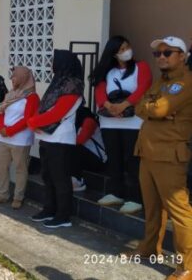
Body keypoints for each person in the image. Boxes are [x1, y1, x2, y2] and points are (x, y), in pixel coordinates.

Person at [129, 36, 192, 280]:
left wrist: (153, 109)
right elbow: (139, 107)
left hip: (169, 155)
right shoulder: (159, 82)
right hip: (148, 152)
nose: (162, 57)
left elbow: (159, 108)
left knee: (180, 212)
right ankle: (148, 249)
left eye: (168, 52)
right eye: (158, 54)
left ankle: (187, 265)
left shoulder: (187, 82)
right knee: (152, 208)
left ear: (182, 56)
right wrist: (152, 108)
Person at [92, 36, 152, 214]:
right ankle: (115, 192)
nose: (126, 51)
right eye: (121, 49)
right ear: (114, 54)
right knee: (114, 158)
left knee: (133, 160)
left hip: (133, 122)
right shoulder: (108, 72)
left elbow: (143, 87)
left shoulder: (141, 67)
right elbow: (100, 93)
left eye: (127, 46)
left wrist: (123, 105)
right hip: (109, 122)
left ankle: (135, 197)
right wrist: (110, 106)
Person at [27, 49, 84, 228]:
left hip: (61, 139)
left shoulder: (73, 86)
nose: (52, 64)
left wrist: (33, 121)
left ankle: (63, 215)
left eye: (54, 61)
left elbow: (58, 112)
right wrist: (35, 122)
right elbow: (45, 107)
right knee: (48, 176)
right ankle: (49, 209)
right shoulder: (58, 83)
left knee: (61, 179)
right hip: (47, 137)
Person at [0, 66, 39, 209]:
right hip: (4, 137)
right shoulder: (10, 95)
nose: (12, 79)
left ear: (24, 78)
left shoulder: (32, 97)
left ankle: (18, 197)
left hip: (20, 139)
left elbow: (28, 119)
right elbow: (0, 112)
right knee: (1, 166)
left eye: (15, 76)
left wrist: (10, 130)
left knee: (20, 168)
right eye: (12, 76)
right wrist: (1, 129)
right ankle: (3, 194)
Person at [71, 106, 106, 192]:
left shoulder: (89, 121)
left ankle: (77, 181)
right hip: (88, 156)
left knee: (73, 149)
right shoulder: (78, 122)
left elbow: (81, 139)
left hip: (99, 159)